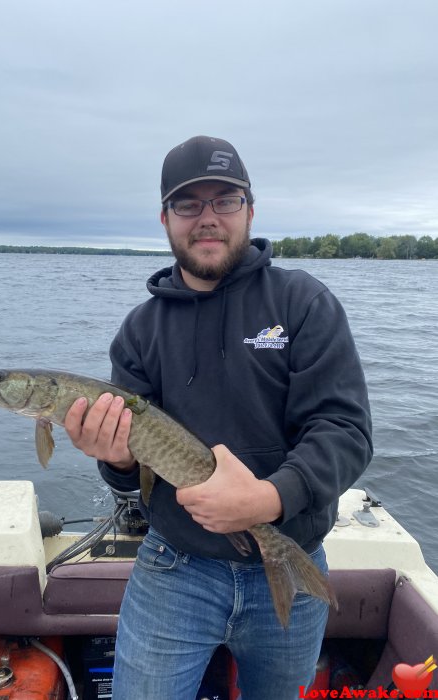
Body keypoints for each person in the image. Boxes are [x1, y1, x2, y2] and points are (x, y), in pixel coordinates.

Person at [65, 135, 373, 699]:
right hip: (174, 569)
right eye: (189, 204)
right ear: (165, 219)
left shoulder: (303, 304)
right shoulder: (140, 331)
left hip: (291, 549)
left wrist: (269, 498)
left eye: (224, 201)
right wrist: (115, 460)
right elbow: (132, 474)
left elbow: (345, 430)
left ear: (250, 210)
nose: (207, 219)